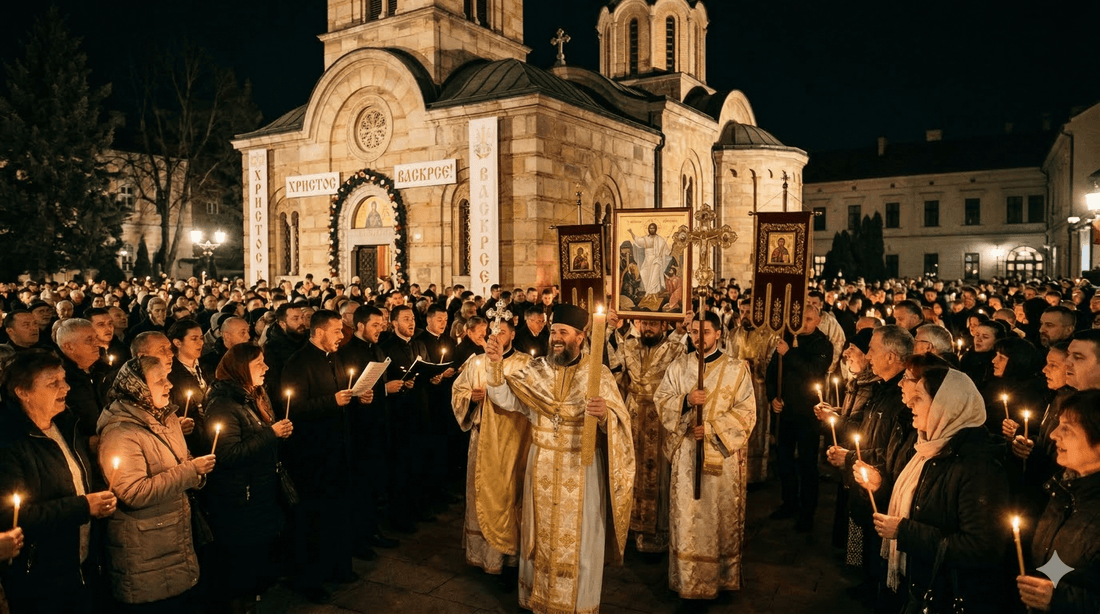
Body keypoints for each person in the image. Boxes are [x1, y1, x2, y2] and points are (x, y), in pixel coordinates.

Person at [485, 303, 635, 614]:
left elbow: (622, 422)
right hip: (541, 467)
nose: (555, 337)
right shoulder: (537, 370)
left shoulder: (599, 374)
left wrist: (606, 415)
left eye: (563, 332)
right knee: (538, 537)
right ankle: (538, 599)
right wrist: (496, 366)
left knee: (580, 540)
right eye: (553, 331)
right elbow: (505, 399)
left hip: (582, 470)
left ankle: (577, 605)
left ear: (581, 337)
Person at [862, 368, 1009, 613]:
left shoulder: (978, 467)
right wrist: (879, 485)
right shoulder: (930, 448)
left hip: (943, 593)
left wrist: (904, 531)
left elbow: (981, 547)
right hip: (918, 581)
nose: (909, 402)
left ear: (946, 406)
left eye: (919, 398)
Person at [0, 350, 117, 614]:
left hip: (81, 564)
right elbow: (11, 516)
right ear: (23, 392)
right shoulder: (7, 441)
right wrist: (83, 507)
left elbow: (78, 477)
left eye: (64, 380)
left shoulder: (65, 423)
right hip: (40, 576)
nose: (65, 387)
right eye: (53, 383)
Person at [96, 355, 215, 613]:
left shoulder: (166, 416)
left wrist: (197, 472)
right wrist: (190, 471)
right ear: (137, 386)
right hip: (145, 547)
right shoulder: (121, 432)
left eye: (167, 377)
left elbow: (180, 461)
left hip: (174, 534)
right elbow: (132, 493)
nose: (169, 385)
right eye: (159, 380)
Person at [654, 310, 756, 601]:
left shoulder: (737, 369)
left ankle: (721, 580)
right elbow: (661, 400)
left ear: (718, 334)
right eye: (694, 333)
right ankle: (688, 580)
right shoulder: (680, 366)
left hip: (721, 459)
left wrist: (710, 428)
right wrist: (686, 401)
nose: (699, 339)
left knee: (718, 520)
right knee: (688, 518)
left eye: (706, 333)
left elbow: (748, 412)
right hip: (687, 455)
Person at [203, 344, 292, 612]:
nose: (266, 368)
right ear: (242, 369)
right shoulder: (223, 405)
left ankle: (253, 598)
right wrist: (270, 434)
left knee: (257, 557)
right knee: (240, 561)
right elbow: (227, 454)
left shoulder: (253, 396)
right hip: (241, 496)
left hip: (260, 489)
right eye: (259, 364)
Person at [280, 310, 360, 602]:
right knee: (312, 517)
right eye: (337, 331)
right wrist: (332, 401)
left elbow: (340, 395)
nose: (341, 336)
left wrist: (355, 396)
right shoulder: (298, 363)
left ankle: (336, 566)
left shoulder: (333, 357)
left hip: (337, 448)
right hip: (312, 455)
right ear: (319, 332)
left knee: (336, 511)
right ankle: (308, 578)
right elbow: (293, 408)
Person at [451, 318, 532, 577]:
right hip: (482, 438)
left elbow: (530, 400)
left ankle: (509, 557)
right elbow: (457, 391)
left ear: (512, 335)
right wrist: (470, 399)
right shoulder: (476, 361)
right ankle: (484, 555)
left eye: (502, 332)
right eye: (491, 332)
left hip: (512, 441)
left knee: (509, 496)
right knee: (481, 492)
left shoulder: (524, 364)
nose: (495, 337)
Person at [1017, 389, 1100, 612]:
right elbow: (1052, 565)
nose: (1053, 434)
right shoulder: (1064, 490)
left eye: (1067, 429)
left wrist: (1060, 598)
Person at [611, 308, 684, 553]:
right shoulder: (628, 346)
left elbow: (687, 378)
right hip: (632, 417)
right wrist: (608, 329)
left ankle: (658, 535)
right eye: (644, 323)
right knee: (631, 472)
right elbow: (609, 369)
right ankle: (632, 530)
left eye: (654, 324)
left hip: (661, 418)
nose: (648, 328)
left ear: (664, 326)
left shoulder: (677, 350)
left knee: (660, 475)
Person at [336, 305, 399, 552]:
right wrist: (379, 391)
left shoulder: (378, 348)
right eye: (375, 324)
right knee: (360, 485)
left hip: (377, 425)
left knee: (373, 483)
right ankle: (361, 537)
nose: (380, 328)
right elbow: (346, 389)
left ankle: (372, 529)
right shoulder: (348, 352)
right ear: (359, 326)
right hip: (358, 429)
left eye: (382, 324)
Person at [765, 305, 833, 531]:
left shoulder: (822, 344)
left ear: (818, 320)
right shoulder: (787, 339)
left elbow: (814, 370)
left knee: (807, 464)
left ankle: (807, 512)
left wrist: (789, 353)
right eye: (800, 318)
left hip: (808, 413)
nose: (804, 323)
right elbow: (773, 371)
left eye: (809, 318)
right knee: (784, 460)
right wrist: (773, 397)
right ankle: (789, 502)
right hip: (785, 411)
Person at [629, 223, 672, 296]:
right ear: (648, 229)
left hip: (656, 260)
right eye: (650, 228)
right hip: (648, 260)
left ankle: (652, 293)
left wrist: (663, 252)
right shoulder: (646, 238)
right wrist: (631, 232)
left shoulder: (660, 239)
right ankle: (649, 292)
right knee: (643, 272)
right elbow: (637, 240)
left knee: (654, 277)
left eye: (653, 228)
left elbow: (666, 250)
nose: (652, 229)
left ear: (656, 229)